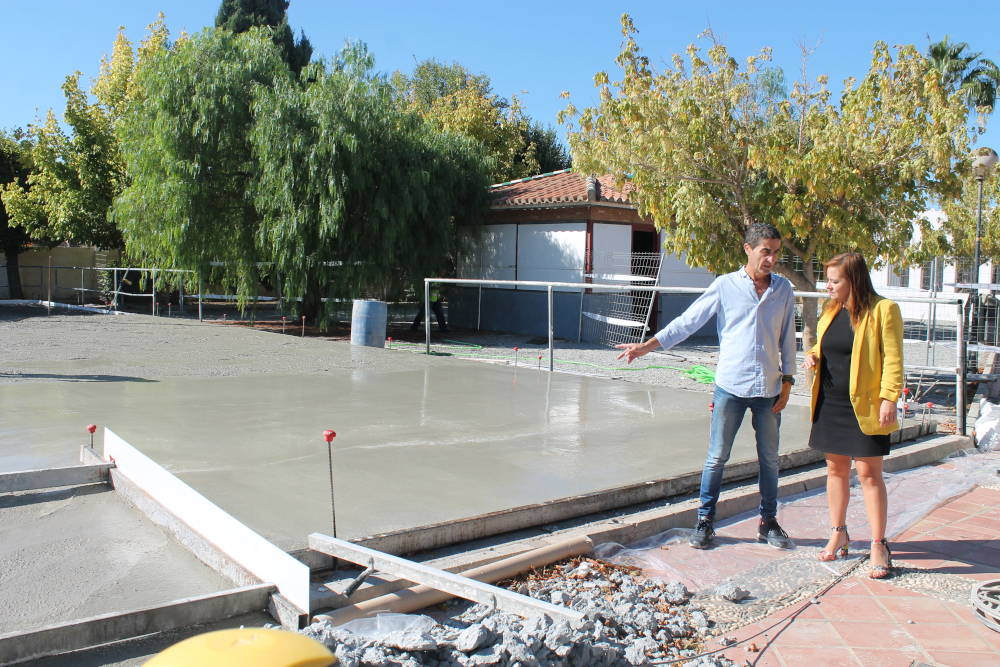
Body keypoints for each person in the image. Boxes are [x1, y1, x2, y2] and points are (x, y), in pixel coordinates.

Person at [616, 223, 797, 549]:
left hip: (768, 389)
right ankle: (705, 521)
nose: (771, 258)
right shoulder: (725, 286)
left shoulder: (783, 290)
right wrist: (646, 347)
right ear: (748, 249)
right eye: (764, 251)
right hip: (731, 387)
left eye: (775, 252)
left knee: (769, 459)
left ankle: (768, 523)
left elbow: (787, 339)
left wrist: (788, 381)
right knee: (717, 457)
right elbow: (688, 321)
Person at [802, 252, 902, 579]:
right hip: (830, 402)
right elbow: (826, 347)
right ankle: (839, 532)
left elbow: (893, 360)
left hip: (867, 406)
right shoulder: (831, 311)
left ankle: (878, 544)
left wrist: (890, 398)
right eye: (827, 280)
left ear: (853, 281)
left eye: (835, 281)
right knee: (835, 469)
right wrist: (812, 356)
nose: (827, 286)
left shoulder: (884, 310)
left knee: (869, 474)